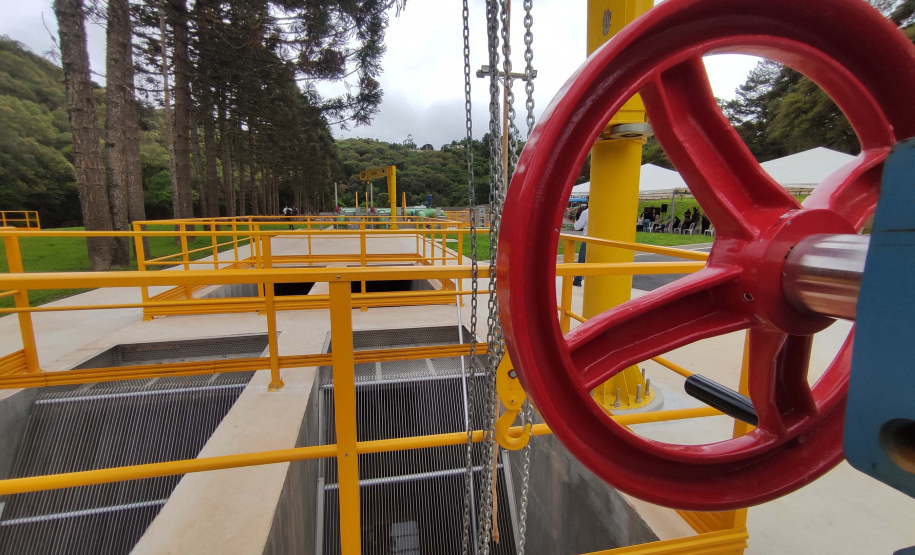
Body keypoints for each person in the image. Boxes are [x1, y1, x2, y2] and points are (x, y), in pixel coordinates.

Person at [572, 204, 588, 287]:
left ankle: (578, 280)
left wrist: (576, 219)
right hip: (602, 240)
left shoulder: (586, 212)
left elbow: (577, 227)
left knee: (582, 260)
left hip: (587, 239)